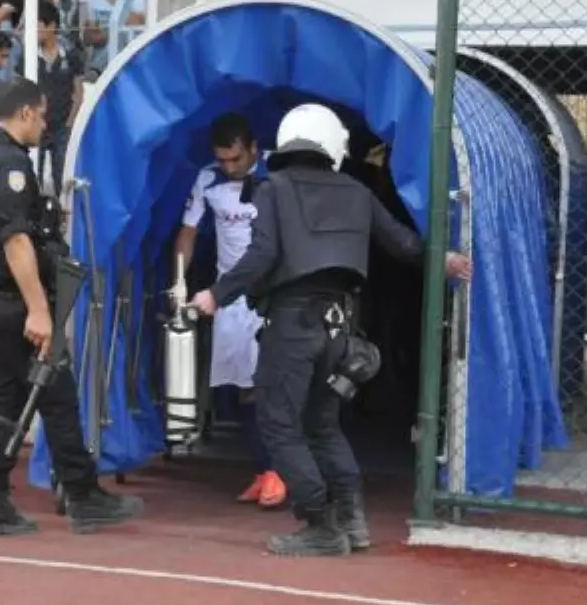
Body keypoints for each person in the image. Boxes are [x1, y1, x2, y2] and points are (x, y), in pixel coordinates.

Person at [189, 104, 471, 557]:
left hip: (290, 322)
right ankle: (352, 521)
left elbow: (261, 257)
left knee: (279, 424)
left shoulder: (273, 189)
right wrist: (444, 260)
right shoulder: (357, 192)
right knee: (323, 424)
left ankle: (319, 523)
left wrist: (214, 295)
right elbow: (401, 242)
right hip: (341, 328)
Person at [0, 78, 142, 537]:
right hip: (11, 300)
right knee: (47, 394)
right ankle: (59, 497)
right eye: (42, 115)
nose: (44, 124)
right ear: (25, 112)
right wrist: (38, 310)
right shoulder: (9, 164)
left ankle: (18, 498)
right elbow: (16, 240)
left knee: (27, 396)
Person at [174, 114, 284, 508]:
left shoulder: (280, 170)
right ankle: (264, 470)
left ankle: (281, 472)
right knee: (243, 390)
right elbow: (187, 234)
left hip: (274, 299)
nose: (229, 168)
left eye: (236, 159)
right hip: (229, 298)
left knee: (270, 387)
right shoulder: (207, 179)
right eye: (223, 160)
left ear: (254, 148)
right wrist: (179, 281)